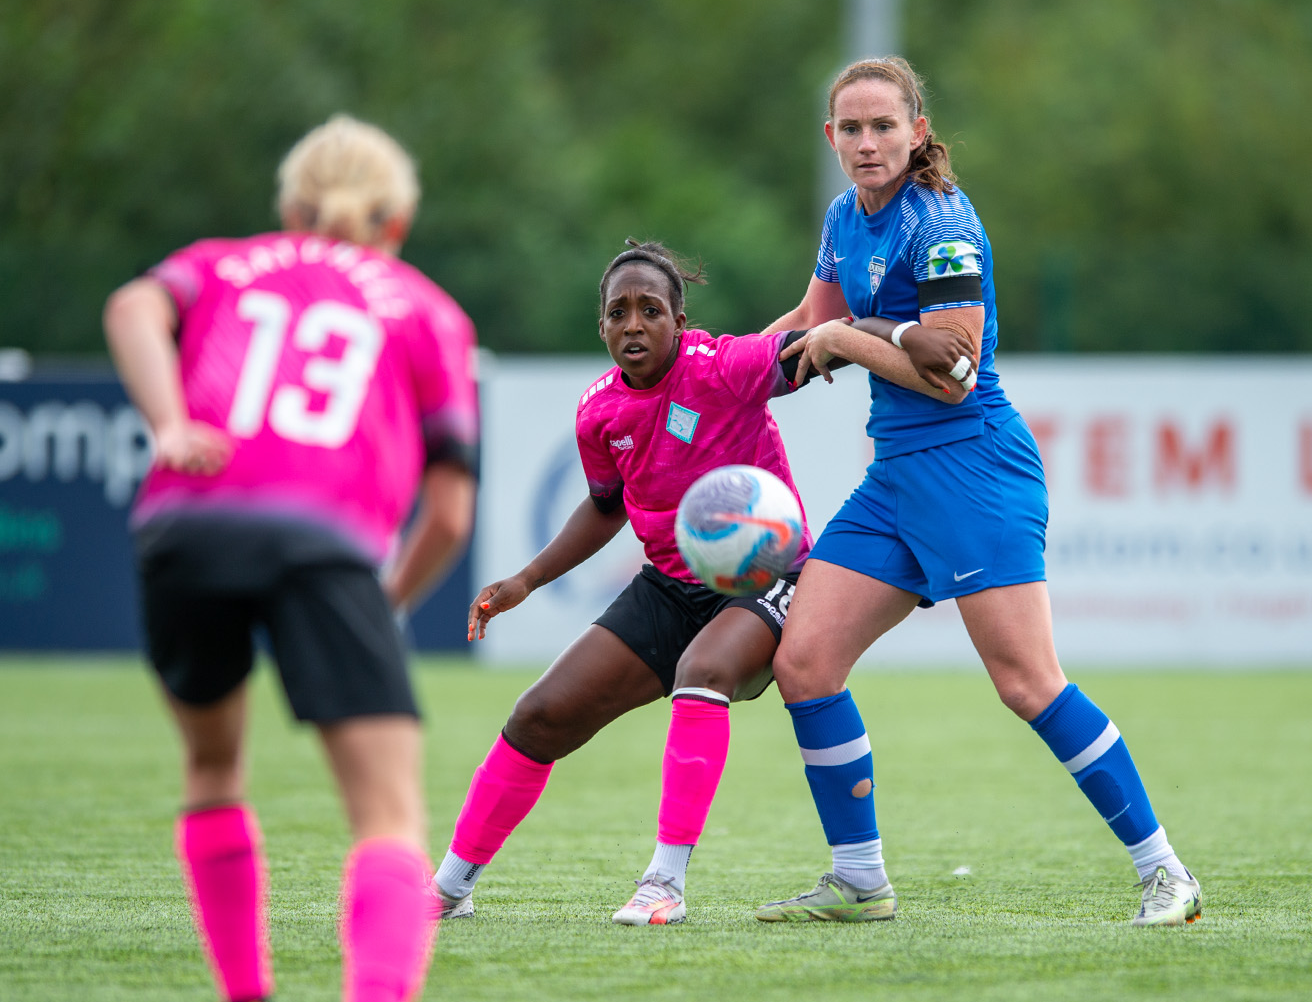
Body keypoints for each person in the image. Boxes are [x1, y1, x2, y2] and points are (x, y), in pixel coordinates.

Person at [756, 57, 1203, 927]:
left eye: (884, 125)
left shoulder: (944, 226)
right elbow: (806, 326)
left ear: (918, 131)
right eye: (851, 128)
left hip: (974, 467)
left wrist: (849, 339)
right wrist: (705, 371)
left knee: (1027, 681)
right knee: (802, 664)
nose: (867, 142)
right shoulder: (844, 217)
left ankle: (1166, 872)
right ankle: (858, 879)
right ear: (830, 139)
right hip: (896, 479)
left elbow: (955, 374)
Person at [102, 115, 477, 1002]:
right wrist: (385, 599)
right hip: (322, 544)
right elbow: (448, 510)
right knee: (388, 811)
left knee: (212, 767)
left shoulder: (221, 265)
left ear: (289, 207)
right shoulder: (427, 309)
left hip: (184, 529)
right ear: (396, 222)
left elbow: (132, 309)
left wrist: (171, 422)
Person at [434, 239, 954, 927]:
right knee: (539, 715)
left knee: (702, 670)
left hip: (772, 577)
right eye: (618, 312)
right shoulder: (599, 412)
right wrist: (526, 580)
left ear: (680, 321)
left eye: (652, 309)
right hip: (672, 586)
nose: (634, 324)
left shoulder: (725, 367)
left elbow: (826, 341)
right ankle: (448, 890)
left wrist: (905, 336)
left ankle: (664, 885)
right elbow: (604, 506)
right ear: (602, 327)